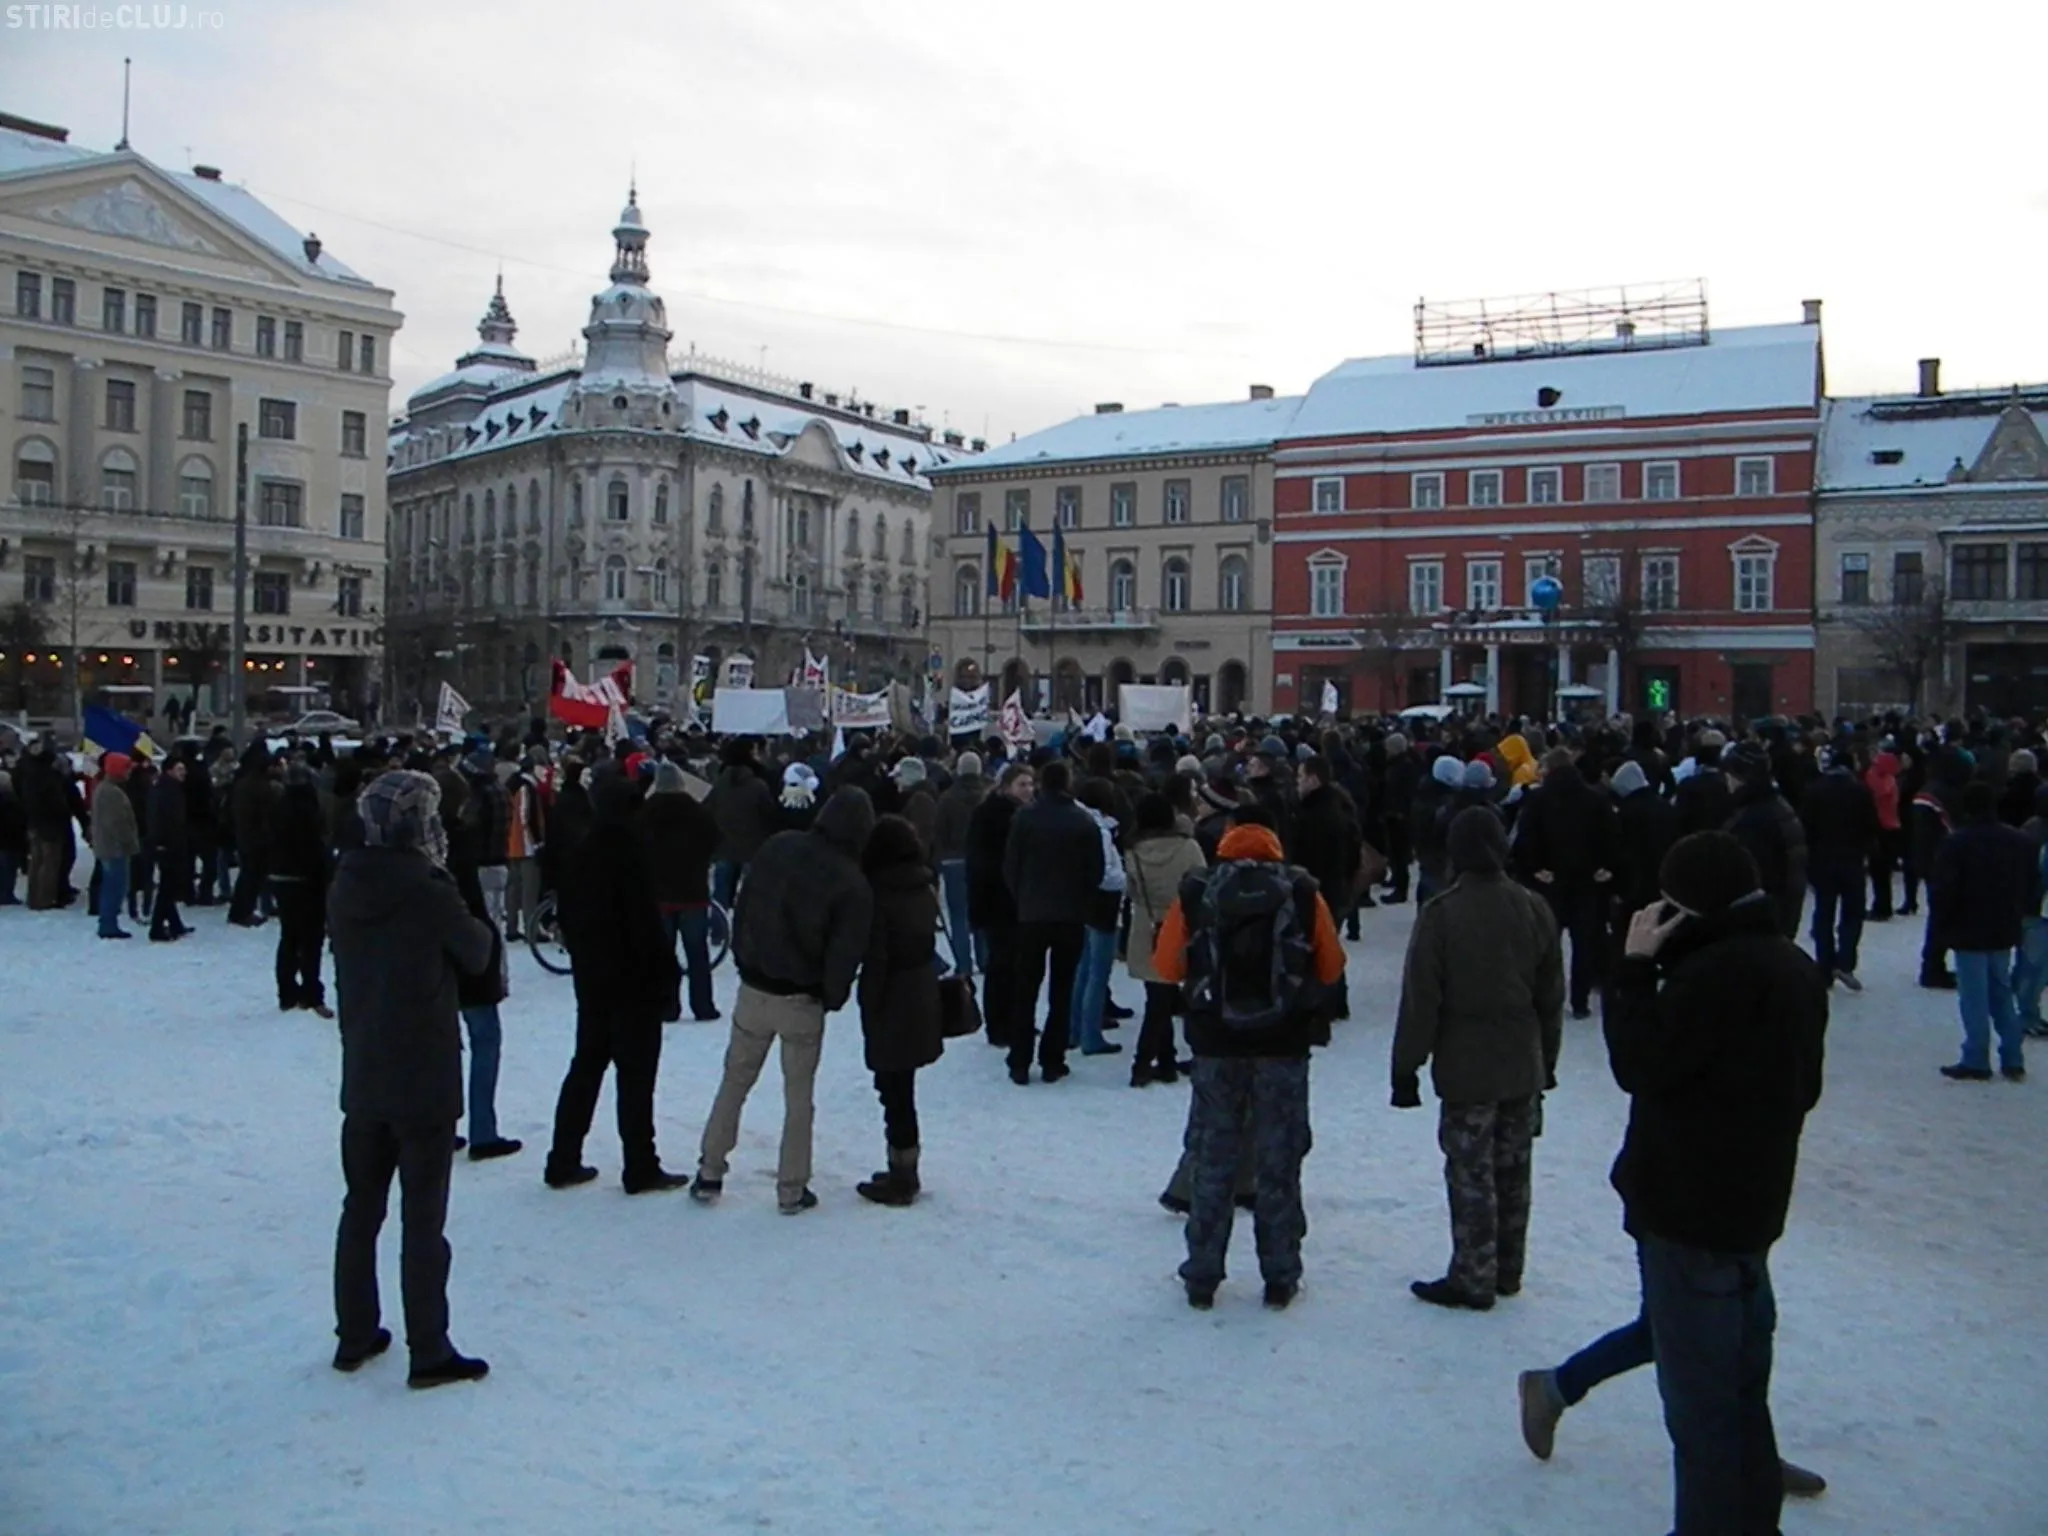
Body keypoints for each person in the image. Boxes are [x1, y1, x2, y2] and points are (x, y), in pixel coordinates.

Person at [1548, 831, 1828, 1536]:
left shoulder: (1710, 979)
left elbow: (1639, 1064)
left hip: (1686, 1210)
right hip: (1754, 1206)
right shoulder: (1792, 968)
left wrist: (1635, 967)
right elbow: (1805, 1089)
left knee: (1702, 1409)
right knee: (1740, 1390)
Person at [327, 769, 497, 1389]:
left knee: (360, 1207)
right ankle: (429, 1347)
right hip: (423, 1067)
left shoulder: (346, 879)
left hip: (364, 1064)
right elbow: (478, 951)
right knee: (423, 1219)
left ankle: (354, 1332)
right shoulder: (428, 888)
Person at [1152, 807, 1345, 1309]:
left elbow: (1166, 965)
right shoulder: (1300, 890)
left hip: (1216, 1044)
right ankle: (1280, 1274)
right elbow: (1331, 966)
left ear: (1228, 836)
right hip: (1283, 1045)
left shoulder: (1198, 890)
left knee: (1214, 1157)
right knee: (1279, 1160)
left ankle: (1202, 1275)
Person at [1393, 807, 1564, 1310]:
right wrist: (1547, 1061)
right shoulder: (1534, 907)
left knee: (1471, 1173)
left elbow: (1422, 999)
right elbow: (1551, 995)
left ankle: (1474, 1274)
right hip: (1521, 1059)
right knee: (1514, 1169)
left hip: (1466, 1063)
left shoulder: (1443, 913)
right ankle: (1508, 1268)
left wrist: (1406, 1067)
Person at [695, 786, 875, 1213]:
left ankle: (709, 1171)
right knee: (798, 1099)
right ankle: (791, 1188)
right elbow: (845, 953)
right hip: (802, 999)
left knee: (734, 1082)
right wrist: (830, 996)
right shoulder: (851, 881)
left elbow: (744, 908)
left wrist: (744, 960)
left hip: (754, 989)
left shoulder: (778, 847)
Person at [544, 764, 686, 1193]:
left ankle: (563, 1157)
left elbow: (567, 916)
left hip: (593, 980)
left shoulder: (582, 851)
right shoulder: (631, 854)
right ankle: (640, 1164)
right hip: (634, 983)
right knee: (636, 1078)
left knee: (586, 1066)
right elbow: (645, 927)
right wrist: (667, 976)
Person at [852, 814, 945, 1207]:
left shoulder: (877, 895)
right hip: (921, 991)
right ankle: (903, 1165)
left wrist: (867, 1002)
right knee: (900, 1086)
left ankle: (902, 1173)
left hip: (892, 995)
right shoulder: (923, 886)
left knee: (894, 1090)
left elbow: (877, 958)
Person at [1002, 759, 1104, 1086]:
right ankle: (1052, 1058)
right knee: (1062, 990)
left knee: (1025, 988)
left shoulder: (1024, 818)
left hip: (1032, 913)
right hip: (1070, 914)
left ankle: (1020, 1059)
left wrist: (1022, 898)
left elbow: (1011, 865)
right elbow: (1096, 870)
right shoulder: (1083, 821)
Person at [1930, 781, 2041, 1082]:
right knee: (2002, 993)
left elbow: (1945, 891)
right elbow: (2030, 884)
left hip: (1968, 929)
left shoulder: (1957, 843)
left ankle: (1976, 1057)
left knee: (1974, 998)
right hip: (2004, 927)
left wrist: (1942, 927)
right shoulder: (2019, 842)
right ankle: (2013, 1057)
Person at [441, 776, 519, 1160]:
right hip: (468, 957)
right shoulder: (461, 844)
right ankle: (483, 1130)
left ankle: (442, 1125)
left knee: (443, 1047)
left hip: (434, 960)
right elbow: (470, 908)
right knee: (485, 1041)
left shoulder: (417, 848)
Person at [1511, 747, 1618, 1020]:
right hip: (1586, 881)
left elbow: (1526, 837)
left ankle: (1545, 997)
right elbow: (1611, 835)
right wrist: (1606, 865)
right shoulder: (1595, 798)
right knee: (1584, 943)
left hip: (1550, 880)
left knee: (1547, 943)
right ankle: (1580, 1000)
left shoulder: (1538, 799)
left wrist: (1534, 868)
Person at [1124, 791, 1206, 1087]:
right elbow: (1201, 885)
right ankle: (1144, 1062)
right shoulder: (1189, 848)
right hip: (1179, 922)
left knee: (1157, 994)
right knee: (1163, 999)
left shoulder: (1132, 852)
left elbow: (1132, 891)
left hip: (1147, 925)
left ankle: (1163, 1061)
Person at [639, 759, 723, 1022]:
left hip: (658, 894)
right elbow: (715, 841)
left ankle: (667, 1006)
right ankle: (703, 1005)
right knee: (697, 953)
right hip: (692, 892)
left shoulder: (644, 814)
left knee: (662, 954)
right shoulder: (698, 813)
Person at [1799, 744, 1880, 990]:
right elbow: (1871, 826)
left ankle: (1824, 965)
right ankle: (1845, 961)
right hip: (1852, 859)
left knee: (1823, 912)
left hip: (1822, 860)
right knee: (1852, 913)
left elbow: (1805, 828)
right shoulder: (1860, 791)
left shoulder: (1814, 790)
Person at [966, 763, 1031, 1050]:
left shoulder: (1020, 814)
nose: (1028, 790)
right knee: (1002, 965)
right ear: (1006, 786)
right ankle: (999, 1024)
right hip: (998, 900)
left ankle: (1014, 1020)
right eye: (1022, 784)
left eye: (1030, 784)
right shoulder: (994, 815)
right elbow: (984, 863)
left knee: (1015, 965)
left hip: (1013, 900)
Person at [1292, 755, 1363, 1015]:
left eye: (1300, 777)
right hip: (1338, 887)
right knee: (1328, 941)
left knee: (1321, 945)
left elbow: (1310, 856)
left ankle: (1327, 1002)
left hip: (1322, 888)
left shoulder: (1316, 815)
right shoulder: (1340, 804)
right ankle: (1335, 1000)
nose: (1297, 783)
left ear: (1313, 779)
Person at [1721, 741, 1808, 941]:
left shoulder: (1753, 820)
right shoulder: (1777, 806)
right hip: (1780, 915)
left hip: (1759, 924)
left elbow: (1749, 877)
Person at [1067, 779, 1128, 1059]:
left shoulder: (1077, 822)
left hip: (1082, 900)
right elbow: (1105, 873)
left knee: (1083, 968)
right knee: (1098, 971)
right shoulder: (1100, 830)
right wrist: (1125, 880)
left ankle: (1074, 1028)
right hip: (1104, 902)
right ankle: (1090, 1034)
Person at [267, 763, 334, 1014]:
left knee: (289, 936)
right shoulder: (310, 810)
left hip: (280, 876)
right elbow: (316, 848)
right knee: (311, 940)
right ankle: (311, 993)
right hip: (306, 880)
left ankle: (286, 992)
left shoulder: (278, 806)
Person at [933, 750, 989, 977]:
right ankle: (984, 958)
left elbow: (939, 831)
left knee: (958, 916)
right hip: (982, 860)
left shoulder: (947, 798)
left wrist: (938, 861)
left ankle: (963, 964)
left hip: (953, 860)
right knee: (981, 912)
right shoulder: (986, 796)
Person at [706, 738, 778, 908]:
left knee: (721, 893)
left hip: (723, 845)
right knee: (750, 895)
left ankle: (720, 921)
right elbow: (769, 814)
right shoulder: (759, 784)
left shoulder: (719, 784)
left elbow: (708, 809)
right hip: (752, 847)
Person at [89, 753, 141, 939]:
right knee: (114, 887)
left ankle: (108, 922)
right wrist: (129, 842)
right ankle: (108, 924)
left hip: (110, 846)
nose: (129, 772)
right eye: (126, 768)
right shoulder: (111, 793)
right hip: (114, 848)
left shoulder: (106, 789)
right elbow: (117, 823)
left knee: (112, 885)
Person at [228, 740, 278, 926]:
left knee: (248, 876)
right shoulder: (259, 786)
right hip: (256, 837)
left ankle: (240, 910)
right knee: (251, 877)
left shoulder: (245, 781)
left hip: (246, 835)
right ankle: (243, 911)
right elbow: (264, 813)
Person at [145, 757, 193, 940]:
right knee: (167, 887)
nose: (184, 772)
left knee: (169, 886)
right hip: (167, 845)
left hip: (174, 843)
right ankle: (156, 928)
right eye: (180, 769)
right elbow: (156, 818)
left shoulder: (173, 789)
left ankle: (175, 924)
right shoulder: (164, 791)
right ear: (169, 771)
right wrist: (159, 842)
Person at [1864, 743, 1903, 921]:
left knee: (1878, 870)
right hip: (1892, 827)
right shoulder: (1892, 781)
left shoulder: (1875, 779)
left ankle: (1881, 907)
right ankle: (1883, 905)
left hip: (1879, 828)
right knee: (1883, 872)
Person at [0, 766, 25, 904]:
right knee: (8, 869)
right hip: (10, 840)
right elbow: (16, 821)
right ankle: (6, 895)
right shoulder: (11, 800)